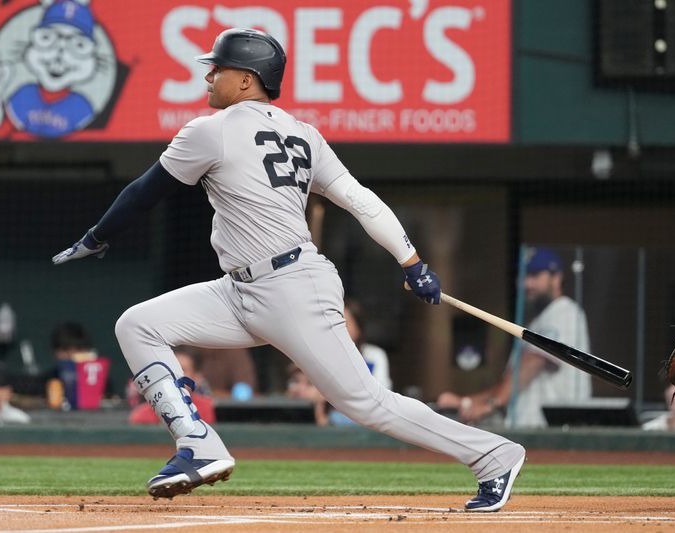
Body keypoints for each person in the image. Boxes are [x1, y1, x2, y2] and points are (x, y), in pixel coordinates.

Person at [51, 27, 525, 511]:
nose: (209, 76)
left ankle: (494, 454)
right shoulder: (304, 134)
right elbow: (364, 203)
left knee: (365, 403)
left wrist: (95, 237)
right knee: (137, 324)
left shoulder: (211, 130)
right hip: (239, 291)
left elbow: (143, 193)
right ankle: (199, 444)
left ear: (246, 80)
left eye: (219, 68)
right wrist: (412, 262)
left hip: (292, 287)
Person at [438, 247, 591, 428]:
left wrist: (490, 404)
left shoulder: (564, 311)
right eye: (524, 276)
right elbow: (512, 378)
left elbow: (532, 363)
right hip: (534, 426)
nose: (528, 283)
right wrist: (469, 400)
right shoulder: (538, 321)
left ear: (556, 278)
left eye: (535, 275)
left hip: (559, 428)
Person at [130, 346, 216, 424]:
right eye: (170, 369)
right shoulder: (142, 415)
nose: (174, 375)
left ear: (197, 377)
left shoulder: (210, 410)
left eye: (182, 370)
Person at [344, 299, 392, 390]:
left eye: (345, 323)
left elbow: (382, 390)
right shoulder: (325, 355)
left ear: (358, 328)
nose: (340, 329)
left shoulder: (374, 356)